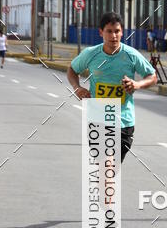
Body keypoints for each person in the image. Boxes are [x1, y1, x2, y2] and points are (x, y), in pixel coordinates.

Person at [67, 11, 157, 162]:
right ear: (101, 32)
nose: (114, 36)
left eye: (117, 31)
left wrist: (137, 84)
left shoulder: (131, 55)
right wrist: (77, 87)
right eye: (109, 31)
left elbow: (152, 76)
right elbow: (72, 70)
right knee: (107, 166)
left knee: (109, 171)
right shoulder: (91, 54)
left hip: (124, 122)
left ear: (122, 32)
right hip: (98, 121)